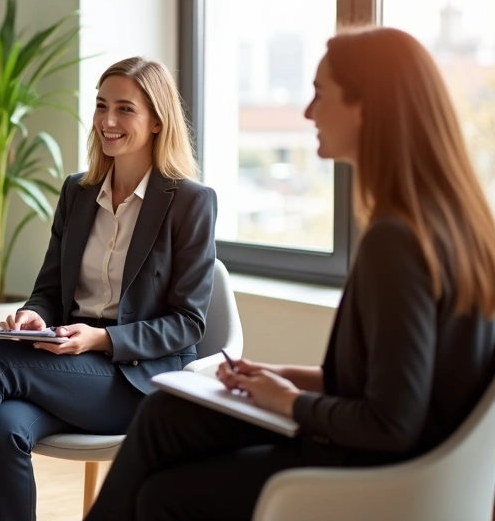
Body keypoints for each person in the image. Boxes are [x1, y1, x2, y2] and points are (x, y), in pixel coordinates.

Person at [86, 27, 495, 521]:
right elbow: (389, 383)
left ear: (366, 108)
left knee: (163, 493)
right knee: (167, 414)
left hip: (381, 472)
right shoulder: (452, 226)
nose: (307, 112)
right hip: (397, 454)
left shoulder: (397, 242)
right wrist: (277, 376)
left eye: (321, 94)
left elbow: (391, 422)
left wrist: (289, 401)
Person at [0, 57, 218, 521]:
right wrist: (35, 315)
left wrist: (101, 338)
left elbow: (187, 323)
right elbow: (48, 289)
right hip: (70, 363)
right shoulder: (78, 192)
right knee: (3, 426)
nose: (108, 121)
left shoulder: (190, 201)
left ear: (157, 121)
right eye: (101, 106)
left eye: (125, 109)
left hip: (137, 379)